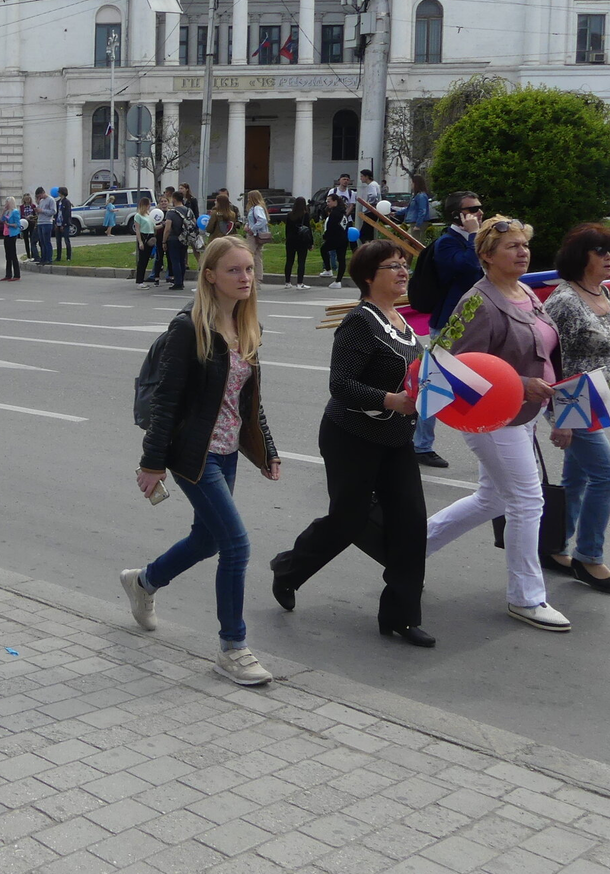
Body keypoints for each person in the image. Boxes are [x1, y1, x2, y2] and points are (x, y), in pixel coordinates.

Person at [122, 235, 282, 686]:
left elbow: (249, 400)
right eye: (234, 270)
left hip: (229, 451)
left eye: (249, 269)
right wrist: (152, 464)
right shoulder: (189, 329)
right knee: (236, 545)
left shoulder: (249, 327)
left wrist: (266, 447)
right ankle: (233, 648)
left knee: (208, 540)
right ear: (210, 276)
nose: (245, 277)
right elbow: (166, 403)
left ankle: (144, 582)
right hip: (194, 454)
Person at [269, 240, 432, 645]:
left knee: (411, 523)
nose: (401, 272)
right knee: (347, 521)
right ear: (367, 277)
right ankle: (288, 569)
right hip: (352, 435)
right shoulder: (361, 321)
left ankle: (401, 616)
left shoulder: (403, 321)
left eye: (402, 265)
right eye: (391, 266)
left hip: (396, 437)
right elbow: (340, 384)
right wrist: (390, 399)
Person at [423, 216, 570, 633]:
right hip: (491, 418)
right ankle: (526, 598)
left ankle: (410, 549)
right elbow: (456, 367)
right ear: (486, 255)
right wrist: (521, 383)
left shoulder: (524, 291)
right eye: (512, 247)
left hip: (523, 414)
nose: (522, 252)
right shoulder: (478, 302)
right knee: (527, 499)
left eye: (524, 245)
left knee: (493, 499)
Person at [543, 223, 610, 593]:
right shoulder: (565, 300)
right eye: (600, 250)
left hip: (598, 397)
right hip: (572, 400)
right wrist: (561, 418)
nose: (609, 257)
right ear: (580, 257)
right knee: (608, 476)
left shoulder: (598, 291)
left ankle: (553, 547)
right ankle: (589, 557)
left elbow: (599, 337)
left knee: (578, 478)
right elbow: (550, 357)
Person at [414, 191, 484, 470]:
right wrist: (474, 237)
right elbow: (468, 268)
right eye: (473, 209)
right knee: (436, 385)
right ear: (458, 215)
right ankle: (420, 445)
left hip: (479, 321)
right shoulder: (447, 243)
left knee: (484, 380)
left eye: (480, 208)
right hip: (449, 323)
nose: (479, 213)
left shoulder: (474, 240)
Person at [160, 189, 193, 291]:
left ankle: (177, 282)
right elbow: (194, 223)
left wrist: (164, 241)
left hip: (173, 238)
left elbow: (167, 228)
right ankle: (181, 281)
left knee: (175, 261)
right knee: (182, 260)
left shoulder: (171, 212)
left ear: (174, 199)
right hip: (185, 238)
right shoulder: (188, 210)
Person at [282, 198, 314, 289]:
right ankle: (300, 283)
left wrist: (287, 239)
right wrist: (310, 243)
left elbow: (287, 229)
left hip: (291, 241)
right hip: (302, 241)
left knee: (289, 261)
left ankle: (287, 282)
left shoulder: (290, 215)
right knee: (301, 262)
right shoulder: (305, 215)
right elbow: (308, 230)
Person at [321, 195, 351, 288]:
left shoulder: (335, 213)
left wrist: (326, 236)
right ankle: (338, 280)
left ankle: (328, 269)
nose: (327, 203)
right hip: (343, 238)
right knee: (341, 259)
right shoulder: (343, 212)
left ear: (335, 201)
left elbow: (331, 227)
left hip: (335, 238)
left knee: (323, 249)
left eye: (329, 201)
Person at [243, 189, 271, 283]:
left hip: (254, 235)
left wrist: (252, 228)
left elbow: (262, 220)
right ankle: (258, 278)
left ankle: (255, 277)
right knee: (257, 256)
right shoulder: (256, 207)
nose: (247, 199)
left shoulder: (257, 208)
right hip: (256, 234)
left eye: (249, 197)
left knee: (249, 255)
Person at [133, 198, 160, 289]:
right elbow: (137, 230)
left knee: (147, 259)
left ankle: (141, 280)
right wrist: (140, 241)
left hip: (151, 237)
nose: (150, 206)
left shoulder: (148, 214)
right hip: (144, 237)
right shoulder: (138, 216)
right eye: (148, 204)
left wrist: (163, 224)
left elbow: (154, 227)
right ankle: (139, 281)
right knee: (142, 261)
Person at [0, 196, 22, 282]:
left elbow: (18, 224)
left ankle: (17, 274)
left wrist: (9, 225)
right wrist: (3, 211)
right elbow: (0, 220)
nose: (6, 204)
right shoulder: (7, 212)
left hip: (12, 234)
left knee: (13, 254)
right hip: (6, 233)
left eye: (7, 203)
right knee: (7, 255)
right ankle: (8, 274)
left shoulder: (15, 212)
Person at [32, 187, 56, 266]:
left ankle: (49, 259)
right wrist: (37, 210)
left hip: (47, 222)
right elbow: (40, 212)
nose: (40, 197)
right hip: (40, 222)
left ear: (43, 193)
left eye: (40, 195)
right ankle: (43, 258)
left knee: (46, 242)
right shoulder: (41, 201)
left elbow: (53, 211)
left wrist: (42, 211)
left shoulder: (51, 200)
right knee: (41, 242)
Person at [405, 175, 431, 241]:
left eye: (412, 182)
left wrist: (418, 225)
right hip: (414, 222)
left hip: (418, 223)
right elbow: (409, 209)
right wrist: (396, 213)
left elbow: (422, 211)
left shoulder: (421, 196)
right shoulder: (415, 196)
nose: (411, 184)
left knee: (416, 242)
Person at [357, 169, 382, 240]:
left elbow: (373, 195)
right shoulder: (375, 184)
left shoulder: (371, 185)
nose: (360, 178)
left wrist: (369, 205)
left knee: (364, 235)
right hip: (373, 211)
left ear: (367, 176)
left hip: (370, 212)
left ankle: (368, 248)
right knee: (369, 233)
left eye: (362, 176)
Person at [54, 186, 73, 261]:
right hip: (57, 223)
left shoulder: (67, 202)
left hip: (65, 224)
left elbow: (67, 214)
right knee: (58, 241)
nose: (58, 193)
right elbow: (56, 213)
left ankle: (68, 256)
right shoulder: (58, 202)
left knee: (66, 240)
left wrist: (64, 224)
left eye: (59, 191)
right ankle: (58, 257)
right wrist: (55, 223)